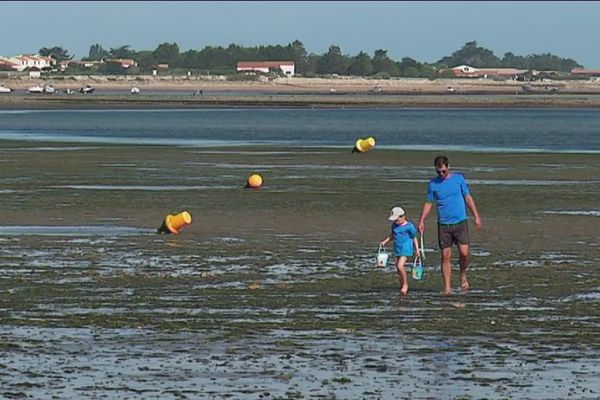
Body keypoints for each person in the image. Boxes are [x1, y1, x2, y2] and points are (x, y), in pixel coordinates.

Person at [418, 155, 482, 295]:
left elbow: (468, 197)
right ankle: (447, 287)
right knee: (445, 256)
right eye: (438, 172)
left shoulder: (458, 179)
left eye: (443, 171)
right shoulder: (433, 184)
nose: (441, 174)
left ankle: (462, 274)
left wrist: (476, 215)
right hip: (444, 225)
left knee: (464, 253)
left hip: (460, 222)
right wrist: (422, 220)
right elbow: (429, 202)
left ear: (448, 167)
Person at [380, 206, 420, 296]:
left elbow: (414, 237)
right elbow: (392, 235)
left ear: (403, 217)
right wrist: (385, 241)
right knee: (398, 268)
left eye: (397, 219)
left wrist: (417, 249)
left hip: (406, 248)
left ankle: (405, 284)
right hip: (397, 248)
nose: (395, 221)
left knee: (400, 265)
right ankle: (401, 284)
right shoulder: (394, 225)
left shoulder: (409, 226)